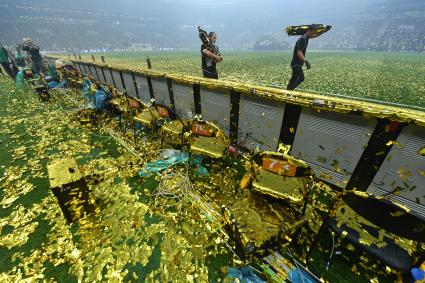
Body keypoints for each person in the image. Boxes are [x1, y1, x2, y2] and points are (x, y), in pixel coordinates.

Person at [287, 26, 323, 90]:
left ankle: (288, 91)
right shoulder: (302, 39)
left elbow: (315, 36)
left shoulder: (306, 38)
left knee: (293, 79)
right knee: (301, 78)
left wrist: (323, 32)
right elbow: (299, 52)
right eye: (312, 33)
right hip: (296, 63)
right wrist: (306, 61)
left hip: (297, 63)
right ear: (309, 31)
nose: (313, 35)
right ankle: (290, 89)